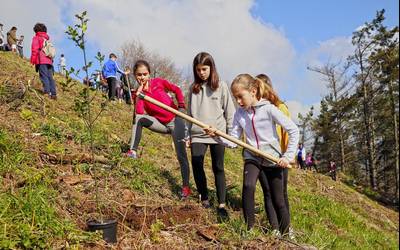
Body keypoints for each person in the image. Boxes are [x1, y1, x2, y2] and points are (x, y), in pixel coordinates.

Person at [204, 74, 299, 236]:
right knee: (248, 186)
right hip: (252, 155)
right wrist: (216, 135)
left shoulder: (269, 109)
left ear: (253, 91)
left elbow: (293, 130)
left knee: (278, 200)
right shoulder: (239, 114)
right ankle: (249, 229)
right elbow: (233, 141)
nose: (239, 102)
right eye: (235, 98)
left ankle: (286, 233)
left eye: (241, 97)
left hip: (272, 158)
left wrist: (288, 156)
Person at [126, 60, 191, 199]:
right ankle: (132, 151)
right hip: (160, 123)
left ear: (149, 74)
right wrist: (138, 95)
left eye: (145, 74)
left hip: (176, 120)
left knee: (181, 155)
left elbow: (177, 90)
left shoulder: (158, 82)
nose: (142, 77)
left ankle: (186, 187)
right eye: (139, 75)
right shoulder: (139, 93)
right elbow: (139, 112)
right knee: (139, 119)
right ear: (135, 76)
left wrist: (180, 105)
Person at [187, 52, 235, 220]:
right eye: (198, 70)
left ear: (211, 68)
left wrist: (229, 134)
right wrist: (188, 135)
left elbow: (230, 111)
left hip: (218, 133)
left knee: (218, 166)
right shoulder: (193, 88)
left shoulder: (221, 86)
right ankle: (204, 197)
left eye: (205, 69)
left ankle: (222, 204)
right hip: (198, 133)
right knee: (197, 162)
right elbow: (189, 113)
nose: (202, 73)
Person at [256, 73, 294, 238]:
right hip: (261, 156)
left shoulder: (280, 107)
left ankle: (286, 226)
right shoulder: (254, 110)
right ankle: (274, 228)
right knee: (267, 192)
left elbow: (287, 132)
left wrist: (288, 155)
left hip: (280, 157)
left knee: (281, 194)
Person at [30, 23, 57, 99]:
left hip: (41, 60)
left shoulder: (36, 38)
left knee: (44, 76)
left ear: (36, 30)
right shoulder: (47, 39)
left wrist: (32, 60)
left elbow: (34, 50)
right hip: (49, 61)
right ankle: (54, 94)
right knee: (50, 77)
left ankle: (47, 92)